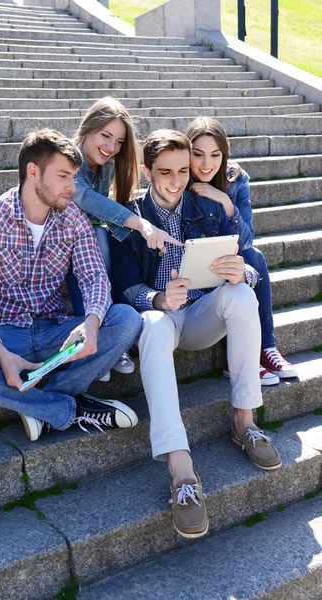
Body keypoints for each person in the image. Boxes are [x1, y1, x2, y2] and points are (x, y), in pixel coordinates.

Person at [109, 129, 282, 540]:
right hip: (163, 320)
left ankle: (244, 421)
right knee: (150, 325)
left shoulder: (206, 205)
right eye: (165, 171)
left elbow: (248, 263)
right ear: (147, 171)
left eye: (183, 170)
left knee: (241, 295)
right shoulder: (128, 215)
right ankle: (180, 468)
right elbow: (125, 286)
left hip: (204, 313)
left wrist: (246, 273)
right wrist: (156, 299)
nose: (176, 180)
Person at [0, 129, 142, 442]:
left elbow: (94, 277)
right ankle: (69, 409)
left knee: (127, 320)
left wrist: (91, 324)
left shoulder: (73, 219)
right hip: (7, 335)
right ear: (33, 172)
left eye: (74, 176)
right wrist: (0, 354)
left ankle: (40, 406)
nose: (72, 186)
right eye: (64, 176)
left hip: (58, 333)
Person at [68, 96, 184, 379]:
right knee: (98, 234)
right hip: (54, 242)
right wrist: (141, 224)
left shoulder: (105, 165)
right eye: (106, 136)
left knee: (104, 235)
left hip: (84, 241)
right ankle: (101, 334)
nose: (111, 148)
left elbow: (99, 212)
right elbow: (85, 199)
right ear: (87, 128)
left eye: (119, 142)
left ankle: (113, 330)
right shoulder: (68, 158)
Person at [186, 117, 298, 385]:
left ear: (224, 154)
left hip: (230, 253)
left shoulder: (235, 179)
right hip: (193, 260)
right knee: (233, 264)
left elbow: (246, 240)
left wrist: (225, 201)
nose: (206, 164)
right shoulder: (179, 178)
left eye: (215, 155)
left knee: (254, 257)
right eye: (198, 154)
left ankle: (266, 347)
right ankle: (237, 357)